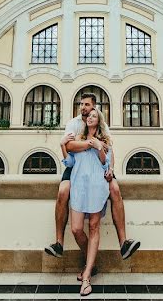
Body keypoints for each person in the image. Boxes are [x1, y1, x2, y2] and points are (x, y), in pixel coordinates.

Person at [44, 93, 140, 263]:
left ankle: (123, 242)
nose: (83, 107)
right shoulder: (73, 124)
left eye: (87, 105)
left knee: (115, 190)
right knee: (63, 191)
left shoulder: (101, 124)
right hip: (75, 166)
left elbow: (109, 149)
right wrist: (91, 143)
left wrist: (110, 168)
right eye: (81, 104)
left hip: (98, 166)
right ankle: (59, 242)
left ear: (94, 107)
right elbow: (70, 146)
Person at [61, 108, 111, 297]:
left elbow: (106, 164)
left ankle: (87, 275)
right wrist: (62, 146)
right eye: (88, 116)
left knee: (94, 228)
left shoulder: (104, 141)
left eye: (94, 116)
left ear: (99, 121)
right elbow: (69, 163)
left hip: (97, 186)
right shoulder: (78, 140)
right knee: (76, 229)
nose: (90, 117)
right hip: (79, 186)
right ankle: (91, 262)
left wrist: (98, 146)